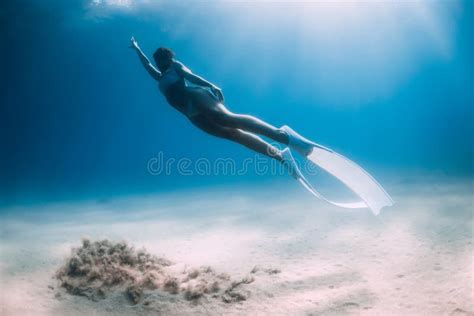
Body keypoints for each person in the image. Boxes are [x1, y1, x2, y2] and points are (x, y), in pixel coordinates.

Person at [130, 37, 315, 179]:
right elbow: (146, 64)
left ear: (169, 58)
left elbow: (190, 76)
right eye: (159, 59)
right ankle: (282, 158)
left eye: (164, 58)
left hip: (196, 97)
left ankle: (284, 136)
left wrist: (211, 85)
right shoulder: (159, 77)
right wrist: (137, 49)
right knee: (232, 135)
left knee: (228, 120)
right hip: (190, 113)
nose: (161, 62)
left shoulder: (175, 68)